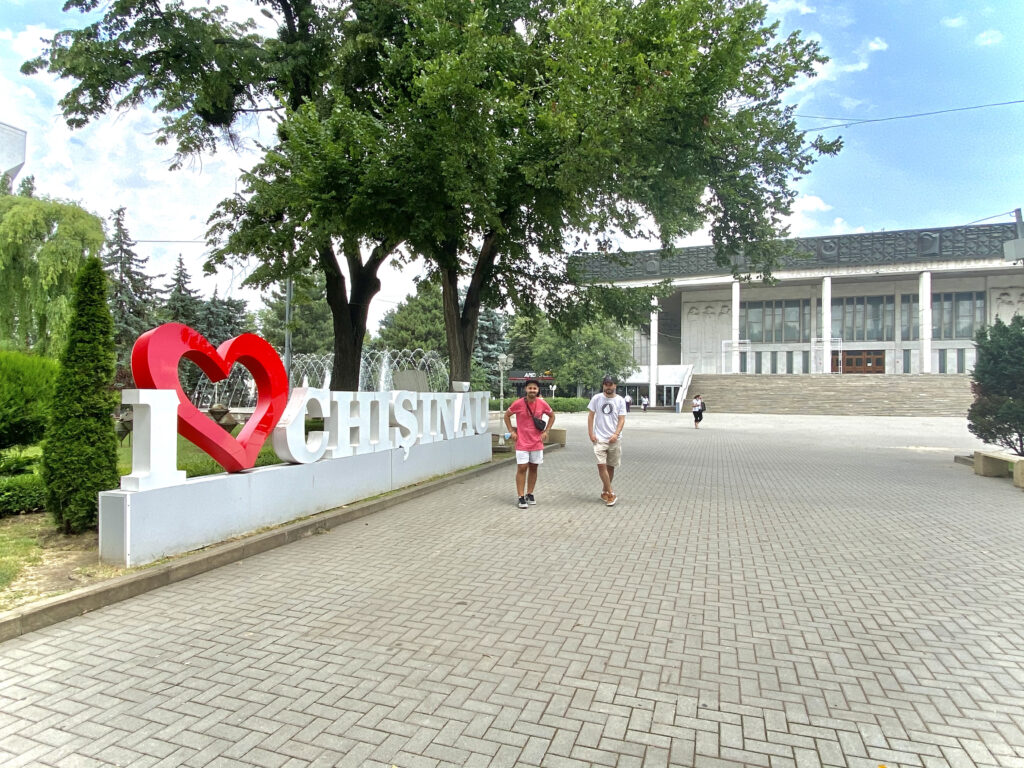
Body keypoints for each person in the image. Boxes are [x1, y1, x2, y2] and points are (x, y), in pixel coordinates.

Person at [504, 379, 554, 509]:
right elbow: (507, 415)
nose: (532, 390)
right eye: (530, 388)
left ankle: (530, 493)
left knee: (533, 467)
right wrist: (511, 431)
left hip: (536, 442)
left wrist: (546, 431)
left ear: (538, 390)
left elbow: (552, 416)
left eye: (535, 388)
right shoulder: (518, 403)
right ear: (526, 389)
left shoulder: (542, 403)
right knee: (522, 468)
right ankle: (521, 496)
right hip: (522, 442)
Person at [588, 374, 627, 506]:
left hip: (614, 439)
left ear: (615, 385)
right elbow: (591, 416)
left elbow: (622, 419)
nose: (608, 387)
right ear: (603, 385)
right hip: (599, 438)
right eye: (606, 384)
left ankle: (604, 491)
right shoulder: (596, 398)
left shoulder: (620, 400)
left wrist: (616, 434)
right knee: (601, 465)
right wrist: (591, 433)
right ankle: (611, 493)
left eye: (611, 384)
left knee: (610, 467)